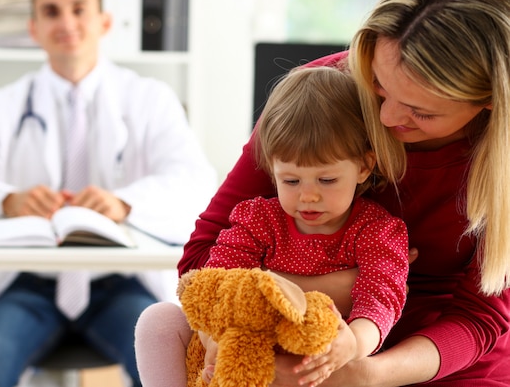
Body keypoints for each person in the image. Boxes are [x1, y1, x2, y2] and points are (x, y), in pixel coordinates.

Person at [176, 0, 510, 385]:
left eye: (420, 111)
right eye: (378, 86)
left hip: (443, 363)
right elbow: (200, 261)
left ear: (492, 102)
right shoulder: (314, 103)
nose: (385, 119)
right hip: (301, 345)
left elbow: (480, 317)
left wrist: (367, 373)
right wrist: (342, 286)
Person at [0, 0, 216, 387]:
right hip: (30, 285)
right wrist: (6, 199)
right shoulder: (7, 104)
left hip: (119, 284)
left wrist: (125, 203)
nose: (67, 24)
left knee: (177, 368)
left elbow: (197, 181)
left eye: (79, 10)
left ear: (104, 22)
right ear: (34, 28)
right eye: (51, 12)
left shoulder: (149, 98)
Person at [135, 66, 410, 387]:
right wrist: (214, 340)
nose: (308, 196)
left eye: (327, 179)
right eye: (291, 180)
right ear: (271, 168)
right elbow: (219, 279)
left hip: (321, 355)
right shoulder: (258, 218)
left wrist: (354, 343)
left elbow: (381, 297)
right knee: (159, 321)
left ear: (364, 166)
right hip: (243, 338)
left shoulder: (376, 229)